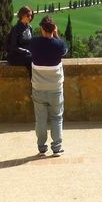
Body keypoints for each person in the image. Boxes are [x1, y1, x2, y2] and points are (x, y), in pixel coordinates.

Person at [30, 16, 68, 156]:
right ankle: (57, 147)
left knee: (40, 119)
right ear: (54, 29)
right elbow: (64, 51)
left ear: (41, 29)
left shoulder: (34, 43)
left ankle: (41, 147)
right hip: (55, 88)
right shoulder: (59, 45)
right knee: (57, 117)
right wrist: (56, 35)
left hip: (38, 87)